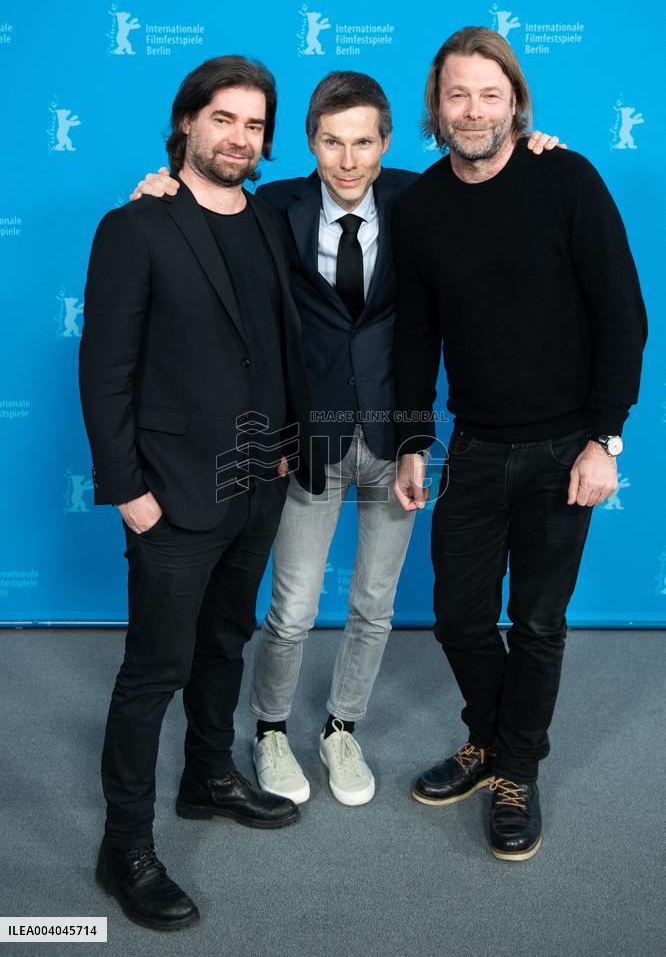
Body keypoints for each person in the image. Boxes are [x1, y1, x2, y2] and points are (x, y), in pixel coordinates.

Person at [131, 73, 560, 809]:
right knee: (292, 608)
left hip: (396, 441)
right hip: (308, 439)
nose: (349, 158)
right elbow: (205, 218)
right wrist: (159, 187)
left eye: (364, 141)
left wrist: (537, 146)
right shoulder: (273, 208)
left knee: (374, 603)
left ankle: (341, 727)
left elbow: (495, 175)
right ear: (308, 144)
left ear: (387, 143)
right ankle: (269, 731)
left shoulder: (421, 199)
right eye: (333, 141)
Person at [79, 55, 324, 931]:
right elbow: (105, 372)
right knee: (154, 672)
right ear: (186, 123)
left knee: (226, 643)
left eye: (255, 124)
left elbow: (377, 176)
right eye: (223, 118)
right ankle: (126, 849)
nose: (240, 137)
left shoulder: (265, 217)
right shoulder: (135, 226)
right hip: (171, 496)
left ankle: (209, 779)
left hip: (259, 483)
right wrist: (127, 493)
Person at [392, 27, 647, 861]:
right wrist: (412, 441)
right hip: (474, 448)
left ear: (516, 103)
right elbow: (416, 335)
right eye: (458, 94)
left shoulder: (566, 177)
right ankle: (493, 739)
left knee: (537, 623)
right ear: (437, 105)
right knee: (460, 618)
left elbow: (623, 316)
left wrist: (605, 439)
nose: (473, 110)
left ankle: (515, 772)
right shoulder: (423, 204)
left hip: (564, 449)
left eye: (489, 94)